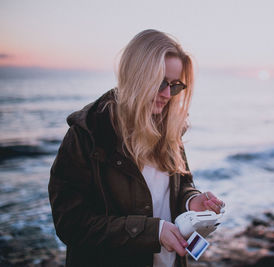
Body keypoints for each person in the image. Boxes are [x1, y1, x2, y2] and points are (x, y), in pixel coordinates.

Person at [48, 29, 224, 267]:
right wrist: (151, 232)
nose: (166, 94)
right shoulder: (87, 134)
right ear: (136, 74)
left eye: (174, 86)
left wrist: (192, 202)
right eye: (160, 82)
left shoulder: (170, 130)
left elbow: (181, 185)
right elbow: (71, 223)